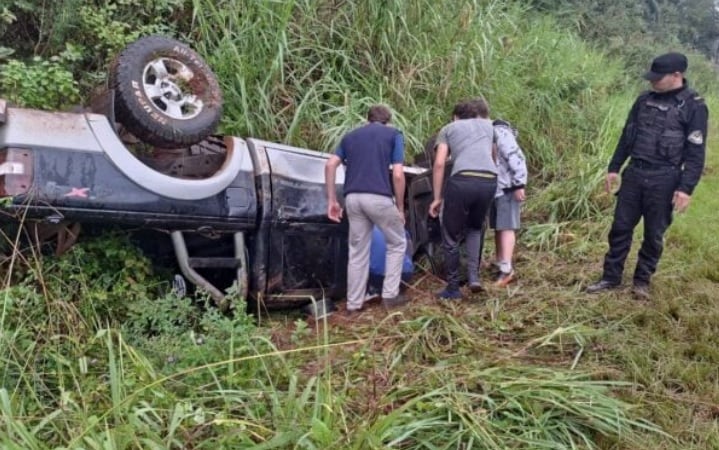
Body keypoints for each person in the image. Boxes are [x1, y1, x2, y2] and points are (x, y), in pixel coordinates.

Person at [586, 52, 708, 300]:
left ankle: (641, 281)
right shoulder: (643, 100)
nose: (652, 82)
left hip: (665, 178)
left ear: (677, 75)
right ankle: (610, 277)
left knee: (653, 234)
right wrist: (614, 167)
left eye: (658, 77)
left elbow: (696, 153)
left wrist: (686, 188)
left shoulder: (694, 106)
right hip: (635, 173)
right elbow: (627, 135)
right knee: (620, 228)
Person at [325, 104, 408, 313]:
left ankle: (354, 304)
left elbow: (330, 165)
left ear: (367, 120)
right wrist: (400, 207)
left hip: (352, 199)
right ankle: (390, 295)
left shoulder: (350, 137)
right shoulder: (393, 134)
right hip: (379, 197)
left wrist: (332, 201)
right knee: (397, 242)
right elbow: (398, 174)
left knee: (358, 252)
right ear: (388, 121)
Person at [429, 99, 497, 300]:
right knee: (475, 228)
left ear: (456, 116)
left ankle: (453, 287)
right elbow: (494, 157)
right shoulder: (489, 125)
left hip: (462, 180)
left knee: (451, 235)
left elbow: (440, 163)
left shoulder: (450, 128)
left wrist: (436, 197)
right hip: (489, 180)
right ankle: (474, 278)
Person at [466, 118, 527, 288]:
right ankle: (500, 262)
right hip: (495, 188)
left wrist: (519, 183)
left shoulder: (501, 133)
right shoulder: (487, 134)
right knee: (498, 227)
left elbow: (516, 157)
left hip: (508, 186)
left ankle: (507, 269)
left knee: (506, 227)